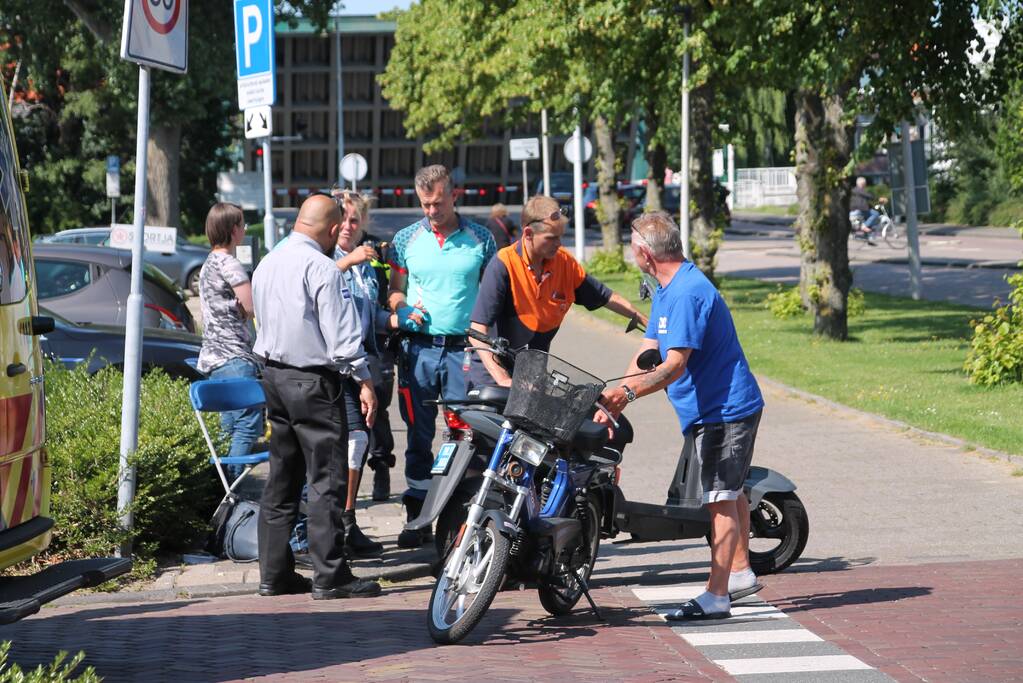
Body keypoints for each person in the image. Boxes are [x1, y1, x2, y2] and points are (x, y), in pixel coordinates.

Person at [597, 211, 764, 620]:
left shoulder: (687, 292)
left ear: (643, 252)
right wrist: (611, 390)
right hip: (709, 411)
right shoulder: (666, 289)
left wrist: (629, 393)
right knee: (733, 491)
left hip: (725, 411)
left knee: (720, 499)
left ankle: (718, 595)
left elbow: (673, 366)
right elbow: (649, 350)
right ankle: (740, 571)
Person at [251, 194, 381, 599]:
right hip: (312, 381)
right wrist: (364, 380)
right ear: (329, 230)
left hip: (273, 376)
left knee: (282, 476)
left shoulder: (267, 263)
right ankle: (330, 575)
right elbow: (343, 341)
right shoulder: (322, 268)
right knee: (326, 477)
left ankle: (273, 573)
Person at [387, 164, 496, 548]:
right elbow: (394, 291)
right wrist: (401, 308)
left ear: (454, 195)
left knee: (465, 434)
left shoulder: (481, 239)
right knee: (418, 435)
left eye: (437, 203)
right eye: (424, 205)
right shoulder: (405, 240)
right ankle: (415, 515)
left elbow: (494, 294)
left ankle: (461, 519)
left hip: (464, 352)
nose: (431, 211)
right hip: (418, 351)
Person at [468, 194, 648, 389]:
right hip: (493, 376)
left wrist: (648, 324)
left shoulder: (564, 263)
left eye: (560, 236)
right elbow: (477, 330)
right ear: (528, 234)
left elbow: (606, 297)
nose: (559, 243)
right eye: (551, 238)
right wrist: (503, 379)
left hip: (531, 375)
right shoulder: (504, 264)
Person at [330, 189, 396, 557]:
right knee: (336, 446)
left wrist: (397, 318)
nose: (348, 226)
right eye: (343, 219)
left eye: (355, 220)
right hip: (333, 369)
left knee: (358, 441)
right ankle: (325, 526)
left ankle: (348, 520)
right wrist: (347, 261)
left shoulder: (368, 267)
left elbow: (370, 315)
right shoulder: (326, 256)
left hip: (363, 365)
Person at [196, 202, 261, 481]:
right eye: (242, 224)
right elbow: (251, 307)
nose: (245, 229)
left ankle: (218, 489)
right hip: (235, 355)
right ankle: (232, 488)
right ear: (234, 229)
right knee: (248, 425)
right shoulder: (229, 262)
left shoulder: (208, 263)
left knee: (227, 427)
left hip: (213, 358)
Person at [849, 176, 885, 243]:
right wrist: (879, 199)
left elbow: (864, 200)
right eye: (864, 184)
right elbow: (869, 196)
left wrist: (871, 206)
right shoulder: (859, 190)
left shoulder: (854, 190)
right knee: (875, 214)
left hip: (853, 210)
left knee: (868, 216)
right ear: (862, 184)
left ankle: (866, 235)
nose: (865, 185)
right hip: (859, 210)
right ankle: (864, 226)